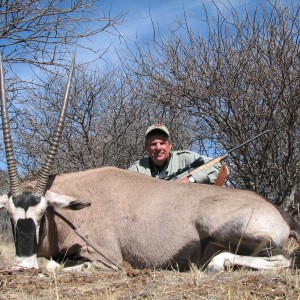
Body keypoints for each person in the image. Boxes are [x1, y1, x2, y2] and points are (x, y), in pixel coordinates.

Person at [128, 124, 224, 184]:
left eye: (162, 143)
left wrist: (190, 179)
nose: (158, 148)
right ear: (146, 147)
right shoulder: (136, 169)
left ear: (170, 145)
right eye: (153, 144)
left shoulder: (186, 158)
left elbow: (218, 167)